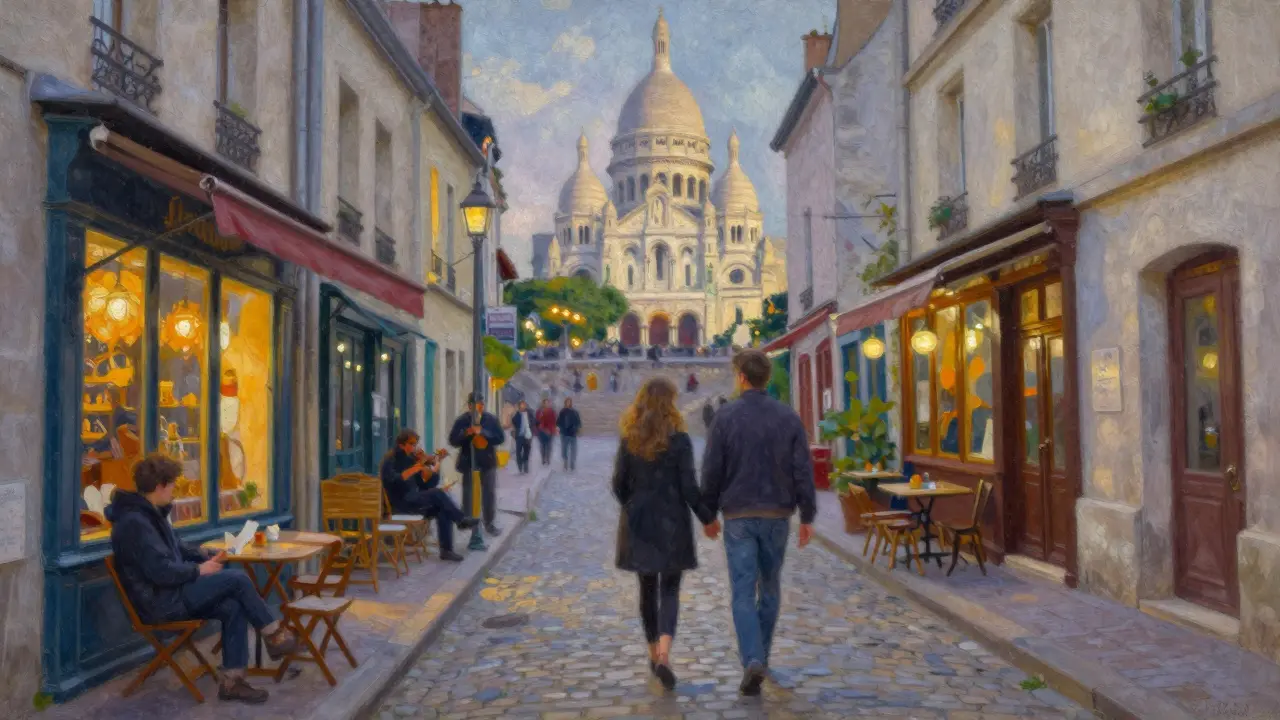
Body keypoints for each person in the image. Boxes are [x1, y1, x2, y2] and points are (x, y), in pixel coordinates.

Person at [107, 454, 300, 704]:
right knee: (238, 581)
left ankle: (233, 682)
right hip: (161, 603)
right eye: (173, 485)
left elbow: (176, 548)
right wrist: (200, 570)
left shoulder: (149, 513)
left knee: (233, 606)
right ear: (159, 487)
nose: (174, 491)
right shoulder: (135, 523)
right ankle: (275, 636)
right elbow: (162, 572)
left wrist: (205, 554)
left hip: (173, 592)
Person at [700, 350, 816, 696]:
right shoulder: (788, 417)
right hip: (777, 514)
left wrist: (707, 513)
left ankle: (752, 657)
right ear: (766, 377)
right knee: (770, 586)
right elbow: (802, 470)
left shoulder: (725, 417)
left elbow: (712, 470)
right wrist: (807, 514)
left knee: (741, 589)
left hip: (737, 514)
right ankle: (760, 656)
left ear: (741, 377)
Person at [612, 378, 715, 691]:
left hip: (640, 521)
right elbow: (689, 487)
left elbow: (618, 484)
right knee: (670, 589)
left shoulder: (630, 438)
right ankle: (665, 655)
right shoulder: (680, 440)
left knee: (647, 589)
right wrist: (708, 518)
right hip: (672, 521)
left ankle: (652, 650)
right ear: (670, 403)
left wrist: (633, 504)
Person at [380, 430, 479, 562]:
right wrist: (415, 468)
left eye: (415, 444)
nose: (415, 447)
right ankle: (460, 520)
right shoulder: (390, 461)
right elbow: (393, 480)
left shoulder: (410, 459)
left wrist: (434, 465)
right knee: (438, 494)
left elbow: (426, 485)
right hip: (400, 505)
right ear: (401, 444)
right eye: (411, 444)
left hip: (414, 500)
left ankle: (446, 550)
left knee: (442, 508)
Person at [448, 393, 506, 536]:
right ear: (469, 406)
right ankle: (467, 521)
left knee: (489, 493)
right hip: (469, 462)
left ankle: (489, 523)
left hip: (487, 462)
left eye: (481, 405)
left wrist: (484, 433)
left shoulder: (491, 419)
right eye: (475, 405)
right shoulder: (462, 421)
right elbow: (453, 441)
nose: (478, 408)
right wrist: (466, 434)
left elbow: (500, 438)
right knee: (468, 492)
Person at [557, 397, 582, 471]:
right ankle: (565, 462)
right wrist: (560, 428)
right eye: (567, 402)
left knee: (573, 450)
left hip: (573, 434)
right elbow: (558, 422)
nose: (568, 403)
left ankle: (572, 464)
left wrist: (576, 429)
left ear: (571, 403)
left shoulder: (575, 412)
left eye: (569, 402)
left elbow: (578, 422)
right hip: (564, 434)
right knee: (564, 450)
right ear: (565, 403)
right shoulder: (562, 412)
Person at [511, 400, 536, 474]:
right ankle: (520, 466)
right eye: (521, 405)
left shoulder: (529, 413)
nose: (523, 406)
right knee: (518, 452)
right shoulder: (517, 414)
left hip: (527, 436)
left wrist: (530, 423)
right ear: (519, 406)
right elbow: (513, 421)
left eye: (524, 405)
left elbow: (534, 421)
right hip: (519, 436)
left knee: (526, 451)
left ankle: (525, 466)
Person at [535, 398, 557, 466]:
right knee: (543, 446)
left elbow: (554, 421)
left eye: (548, 403)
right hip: (541, 431)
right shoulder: (539, 411)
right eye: (545, 403)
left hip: (550, 431)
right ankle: (543, 459)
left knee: (549, 445)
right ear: (543, 404)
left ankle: (547, 458)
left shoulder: (552, 411)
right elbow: (537, 421)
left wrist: (553, 429)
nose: (547, 404)